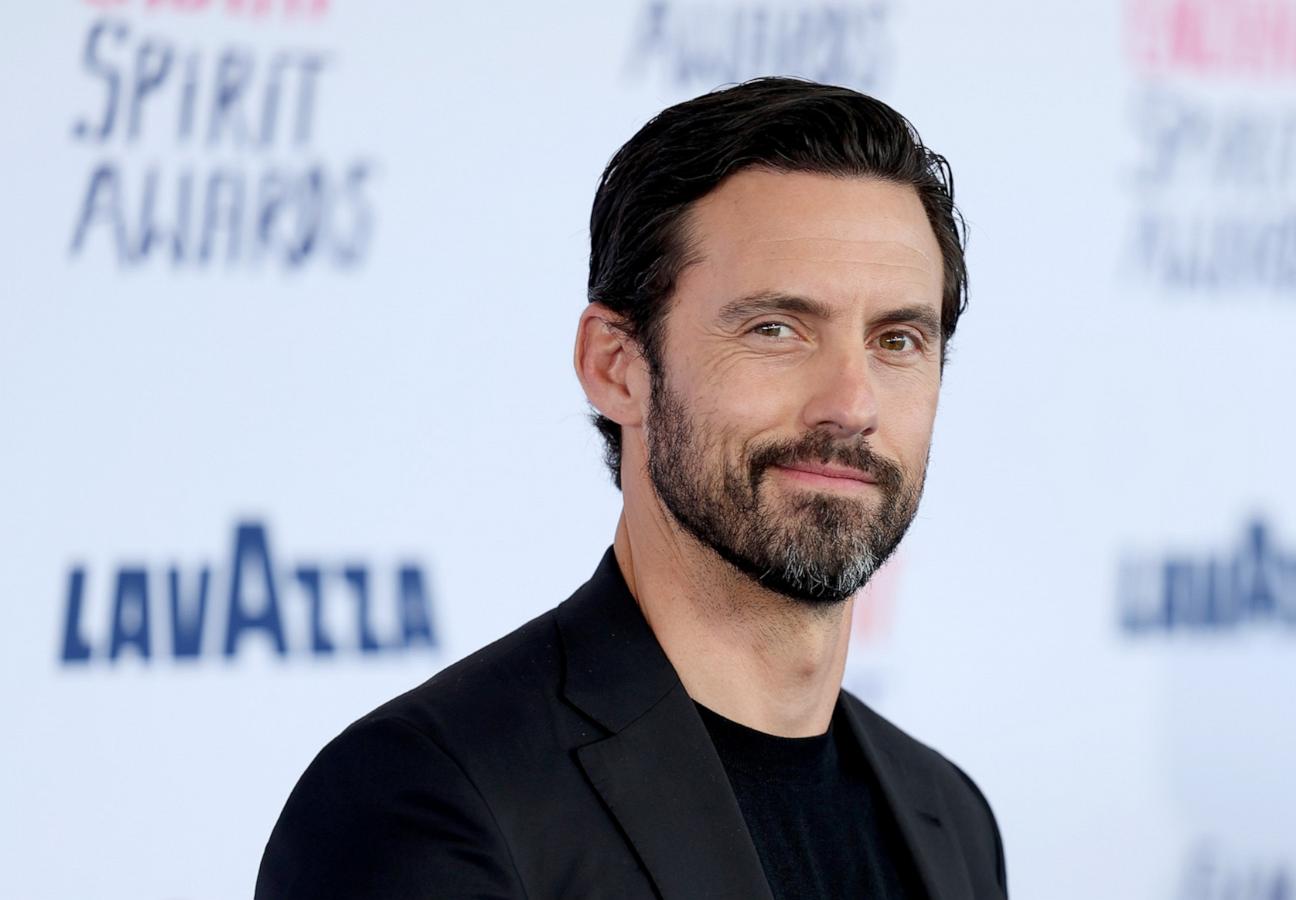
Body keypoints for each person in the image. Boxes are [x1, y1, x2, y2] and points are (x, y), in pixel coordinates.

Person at [255, 76, 1006, 900]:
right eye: (776, 329)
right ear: (617, 367)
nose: (851, 404)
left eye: (897, 339)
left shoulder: (951, 820)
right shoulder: (429, 801)